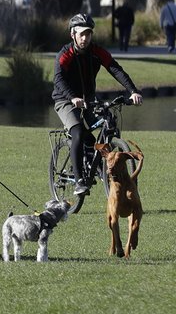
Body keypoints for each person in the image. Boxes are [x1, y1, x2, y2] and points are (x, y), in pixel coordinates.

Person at [53, 13, 143, 196]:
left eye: (88, 34)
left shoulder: (96, 51)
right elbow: (59, 79)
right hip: (65, 100)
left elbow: (115, 68)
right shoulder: (66, 54)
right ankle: (79, 181)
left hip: (88, 101)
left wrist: (133, 91)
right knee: (78, 132)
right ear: (73, 34)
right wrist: (72, 98)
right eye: (81, 34)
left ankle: (100, 167)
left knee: (104, 126)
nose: (85, 38)